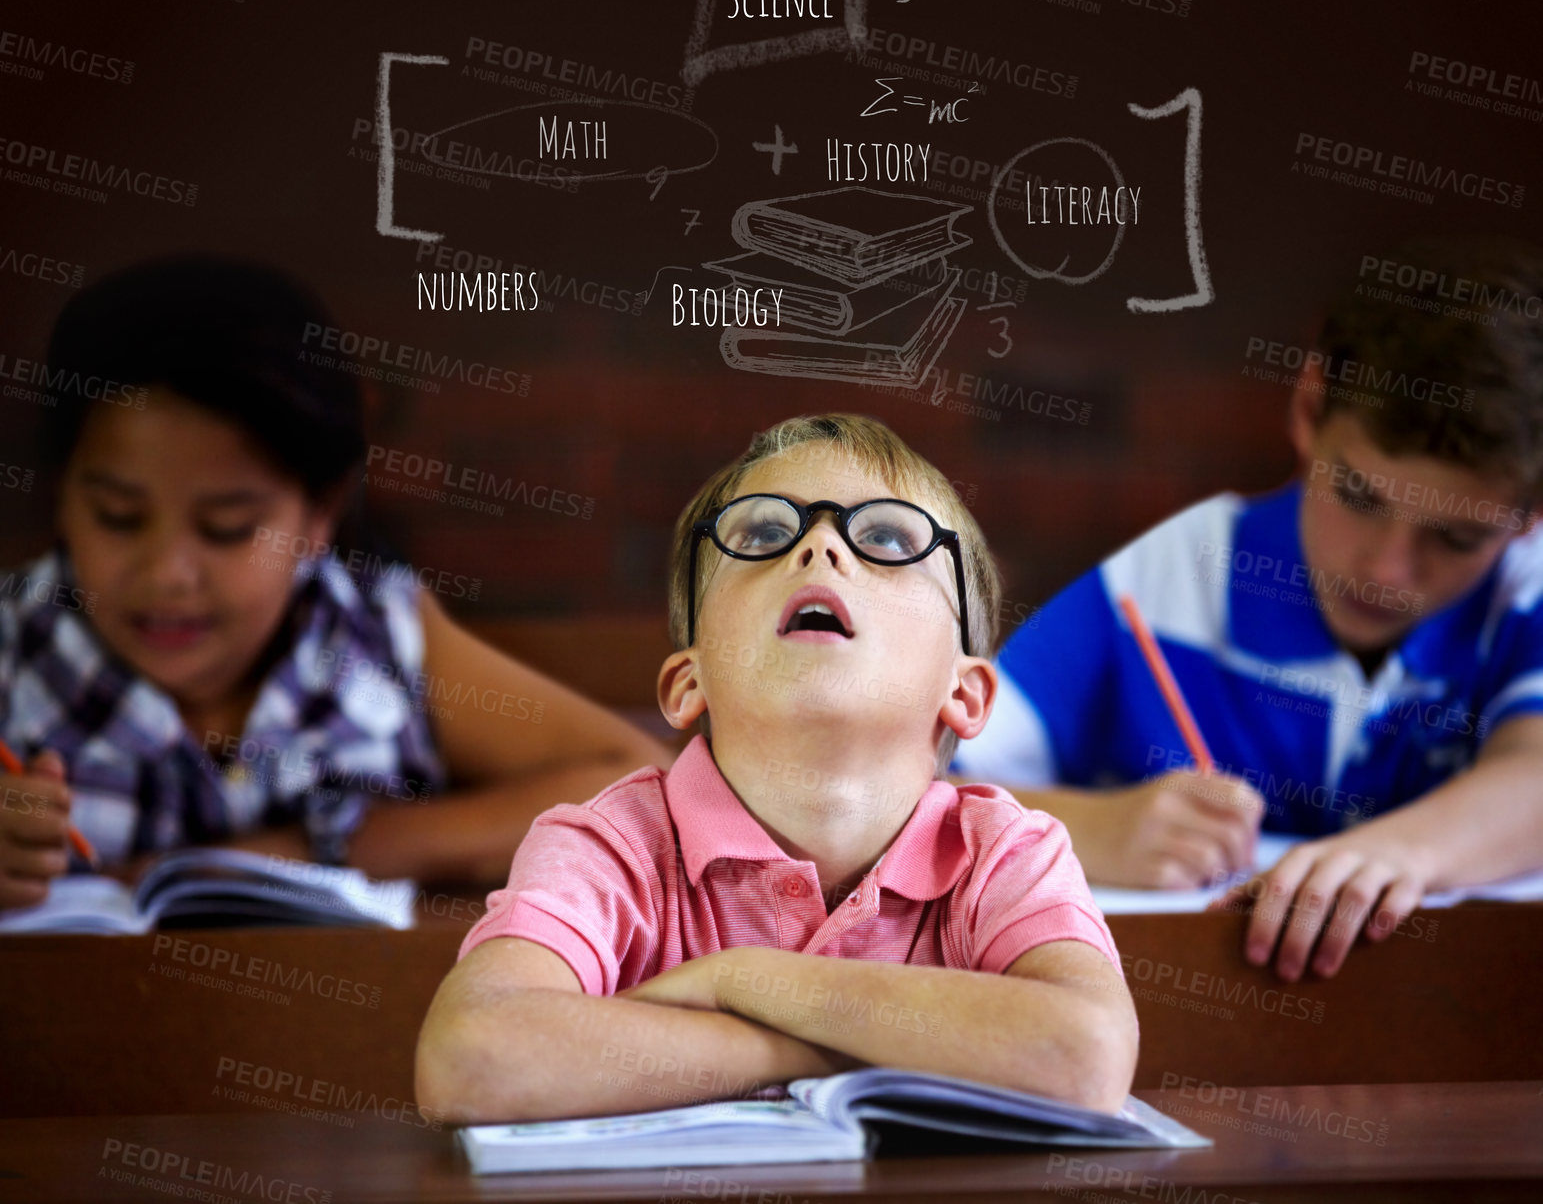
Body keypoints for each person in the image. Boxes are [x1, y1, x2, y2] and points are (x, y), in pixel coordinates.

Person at [415, 413, 1137, 1123]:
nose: (819, 545)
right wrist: (825, 1046)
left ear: (964, 691)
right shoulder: (609, 845)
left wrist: (741, 979)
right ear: (686, 682)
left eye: (885, 536)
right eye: (763, 534)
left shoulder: (1004, 850)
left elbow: (1085, 1055)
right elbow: (472, 1059)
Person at [0, 256, 669, 908]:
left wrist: (321, 846)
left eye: (227, 526)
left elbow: (640, 779)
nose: (167, 574)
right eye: (117, 517)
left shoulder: (379, 636)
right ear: (61, 493)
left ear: (320, 512)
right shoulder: (15, 649)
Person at [956, 238, 1543, 981]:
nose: (1389, 570)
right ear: (1306, 408)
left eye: (1456, 536)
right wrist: (1092, 829)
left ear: (1529, 512)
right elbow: (914, 788)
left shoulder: (1527, 588)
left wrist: (1398, 854)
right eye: (1358, 495)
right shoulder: (1171, 575)